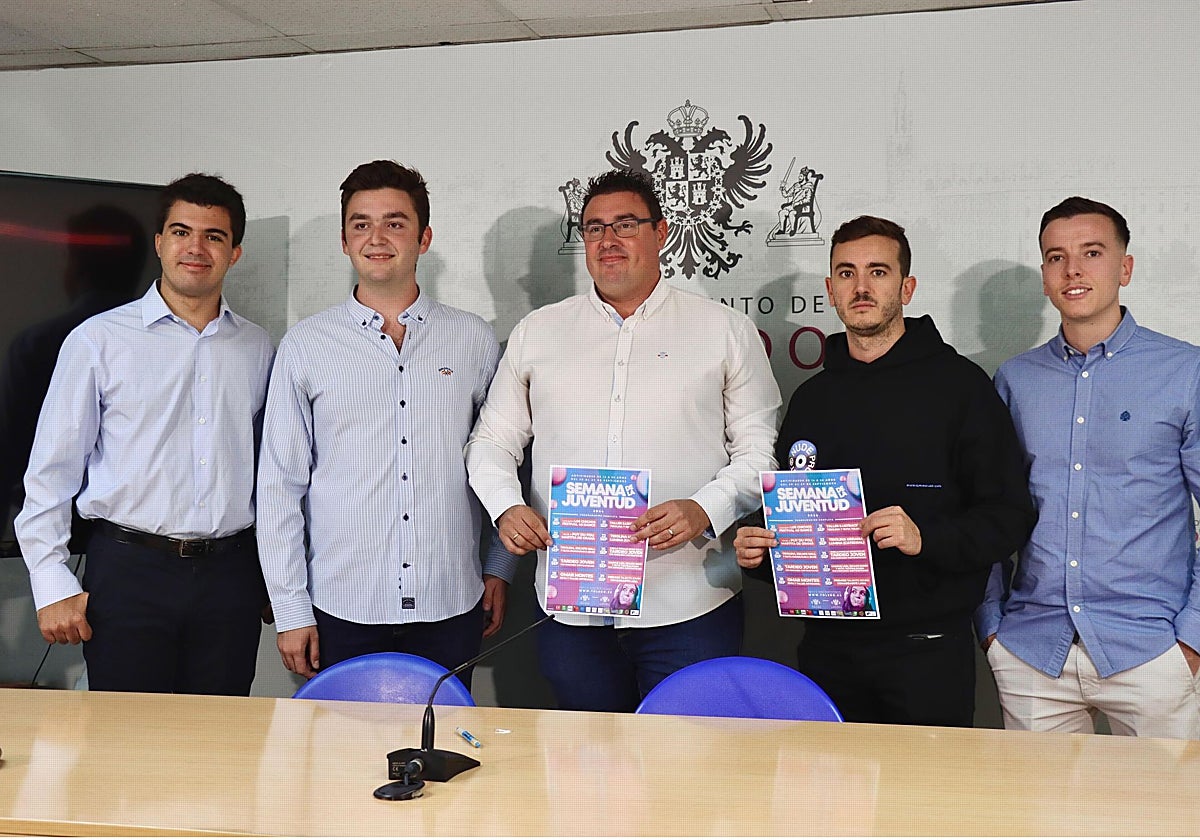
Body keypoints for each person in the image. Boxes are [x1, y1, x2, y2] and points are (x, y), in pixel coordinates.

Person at [466, 169, 781, 712]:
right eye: (594, 228)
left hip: (689, 599)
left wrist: (703, 509)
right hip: (573, 607)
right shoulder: (539, 331)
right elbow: (491, 442)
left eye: (626, 225)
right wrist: (505, 507)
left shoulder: (724, 330)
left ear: (660, 232)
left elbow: (759, 455)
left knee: (691, 769)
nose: (608, 240)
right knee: (588, 777)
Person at [734, 215, 1035, 727]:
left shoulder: (961, 387)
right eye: (847, 273)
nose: (862, 287)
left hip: (927, 651)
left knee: (927, 806)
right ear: (831, 289)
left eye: (878, 271)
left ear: (907, 286)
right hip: (826, 649)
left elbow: (1008, 516)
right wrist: (758, 554)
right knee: (833, 804)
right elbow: (790, 521)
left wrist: (926, 537)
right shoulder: (813, 399)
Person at [256, 160, 513, 688]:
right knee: (340, 760)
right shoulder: (306, 346)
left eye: (395, 223)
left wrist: (499, 568)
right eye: (360, 223)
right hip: (340, 608)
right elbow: (280, 487)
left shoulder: (473, 340)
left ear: (425, 236)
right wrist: (291, 609)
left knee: (445, 754)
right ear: (345, 240)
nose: (377, 237)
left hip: (451, 600)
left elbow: (501, 460)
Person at [16, 174, 274, 694]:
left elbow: (276, 475)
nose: (195, 248)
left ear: (235, 252)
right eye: (180, 232)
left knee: (222, 746)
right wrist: (51, 581)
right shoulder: (97, 342)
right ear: (159, 242)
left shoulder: (260, 348)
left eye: (214, 236)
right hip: (128, 574)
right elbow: (50, 474)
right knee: (125, 749)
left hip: (231, 579)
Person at [975, 197, 1200, 739]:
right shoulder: (1014, 381)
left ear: (1125, 267)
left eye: (1091, 253)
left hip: (1153, 652)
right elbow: (984, 508)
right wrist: (991, 628)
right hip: (1032, 652)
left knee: (1162, 822)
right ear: (1046, 277)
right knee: (1039, 822)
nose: (1073, 270)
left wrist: (1192, 638)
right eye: (1056, 257)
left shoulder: (1185, 372)